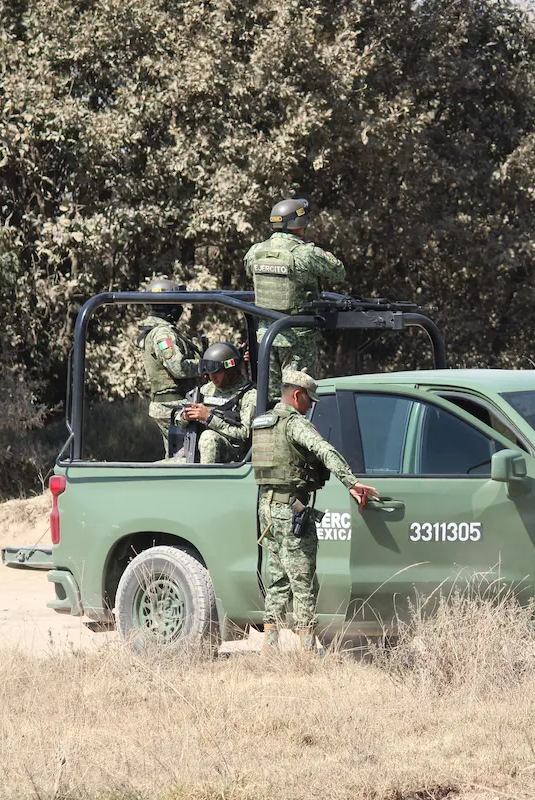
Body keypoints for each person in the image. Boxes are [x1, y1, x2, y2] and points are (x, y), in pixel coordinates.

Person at [252, 369, 379, 653]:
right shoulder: (294, 424)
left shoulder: (263, 422)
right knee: (304, 579)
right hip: (291, 508)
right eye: (309, 400)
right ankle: (307, 651)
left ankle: (269, 648)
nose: (310, 406)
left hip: (267, 509)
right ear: (297, 396)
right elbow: (324, 450)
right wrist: (351, 482)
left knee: (278, 579)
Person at [244, 198, 346, 401]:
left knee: (269, 399)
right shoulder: (305, 253)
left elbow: (249, 272)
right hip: (298, 336)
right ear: (299, 224)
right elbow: (338, 272)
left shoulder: (255, 251)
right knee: (296, 398)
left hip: (266, 335)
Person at [136, 278, 202, 456]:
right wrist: (206, 366)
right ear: (168, 307)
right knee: (185, 456)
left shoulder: (155, 329)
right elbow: (178, 368)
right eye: (175, 303)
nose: (179, 308)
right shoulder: (162, 333)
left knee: (177, 454)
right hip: (174, 404)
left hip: (170, 403)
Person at [176, 342, 257, 463]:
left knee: (208, 437)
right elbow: (178, 420)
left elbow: (244, 435)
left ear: (231, 369)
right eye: (209, 373)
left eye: (217, 372)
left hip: (233, 456)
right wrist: (185, 417)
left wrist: (209, 418)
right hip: (195, 451)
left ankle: (207, 481)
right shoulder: (205, 390)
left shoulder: (249, 394)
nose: (213, 377)